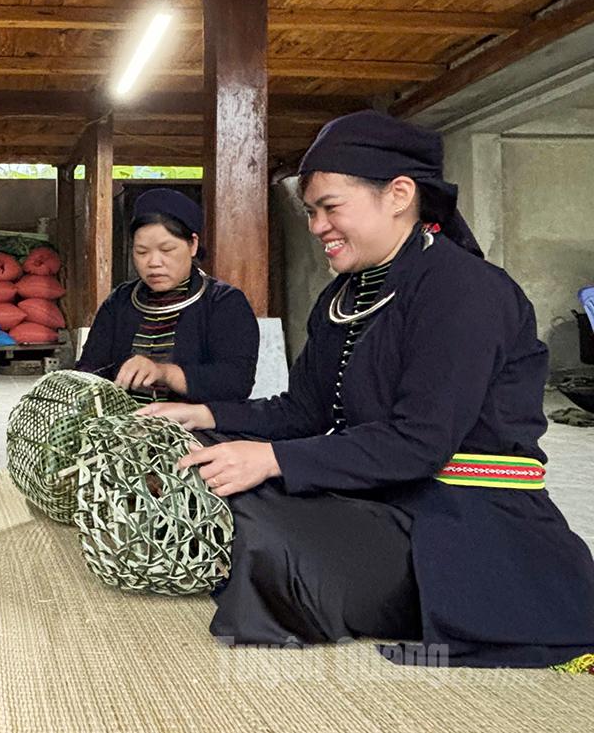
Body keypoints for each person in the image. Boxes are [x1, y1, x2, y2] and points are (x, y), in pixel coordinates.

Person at [144, 111, 594, 669]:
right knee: (212, 474)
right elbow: (304, 410)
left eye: (330, 207)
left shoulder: (467, 292)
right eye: (310, 212)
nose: (316, 226)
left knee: (266, 541)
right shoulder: (348, 296)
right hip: (381, 494)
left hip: (463, 521)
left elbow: (419, 443)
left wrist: (271, 458)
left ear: (399, 194)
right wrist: (201, 413)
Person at [76, 187, 259, 404]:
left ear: (193, 244)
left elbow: (236, 382)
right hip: (123, 428)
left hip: (197, 431)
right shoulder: (120, 301)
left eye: (167, 250)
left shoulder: (224, 303)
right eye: (142, 252)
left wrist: (164, 373)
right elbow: (89, 369)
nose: (153, 262)